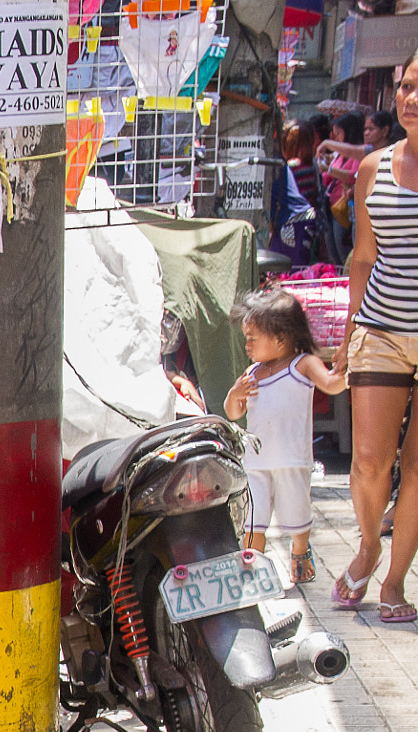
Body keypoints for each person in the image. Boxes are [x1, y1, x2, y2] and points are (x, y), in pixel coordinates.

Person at [335, 54, 418, 622]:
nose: (410, 97)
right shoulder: (372, 168)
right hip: (381, 329)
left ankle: (395, 581)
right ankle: (368, 544)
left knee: (417, 470)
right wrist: (346, 336)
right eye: (406, 86)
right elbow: (363, 256)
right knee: (369, 462)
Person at [224, 289, 345, 586]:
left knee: (296, 513)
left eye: (253, 338)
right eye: (246, 338)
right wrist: (235, 394)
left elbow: (330, 384)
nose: (247, 345)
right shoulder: (252, 373)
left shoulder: (302, 364)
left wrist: (348, 367)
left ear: (281, 337)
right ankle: (253, 568)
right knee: (254, 518)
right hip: (256, 462)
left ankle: (300, 550)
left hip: (292, 459)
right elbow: (233, 412)